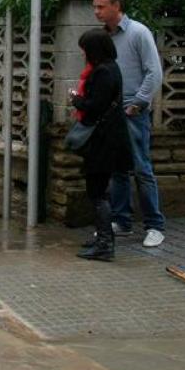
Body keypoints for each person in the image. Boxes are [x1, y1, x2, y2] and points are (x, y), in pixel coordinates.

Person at [93, 0, 166, 247]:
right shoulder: (104, 37)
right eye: (95, 7)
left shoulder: (138, 32)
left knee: (141, 168)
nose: (96, 12)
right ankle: (121, 220)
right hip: (112, 112)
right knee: (118, 170)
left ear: (117, 6)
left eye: (101, 7)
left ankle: (155, 226)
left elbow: (154, 72)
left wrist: (138, 103)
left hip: (132, 112)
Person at [71, 29, 132, 261]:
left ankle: (105, 244)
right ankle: (102, 239)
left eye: (85, 48)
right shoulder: (110, 68)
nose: (83, 53)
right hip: (108, 139)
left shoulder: (104, 72)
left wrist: (76, 100)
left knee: (97, 191)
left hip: (104, 141)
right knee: (98, 190)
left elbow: (95, 105)